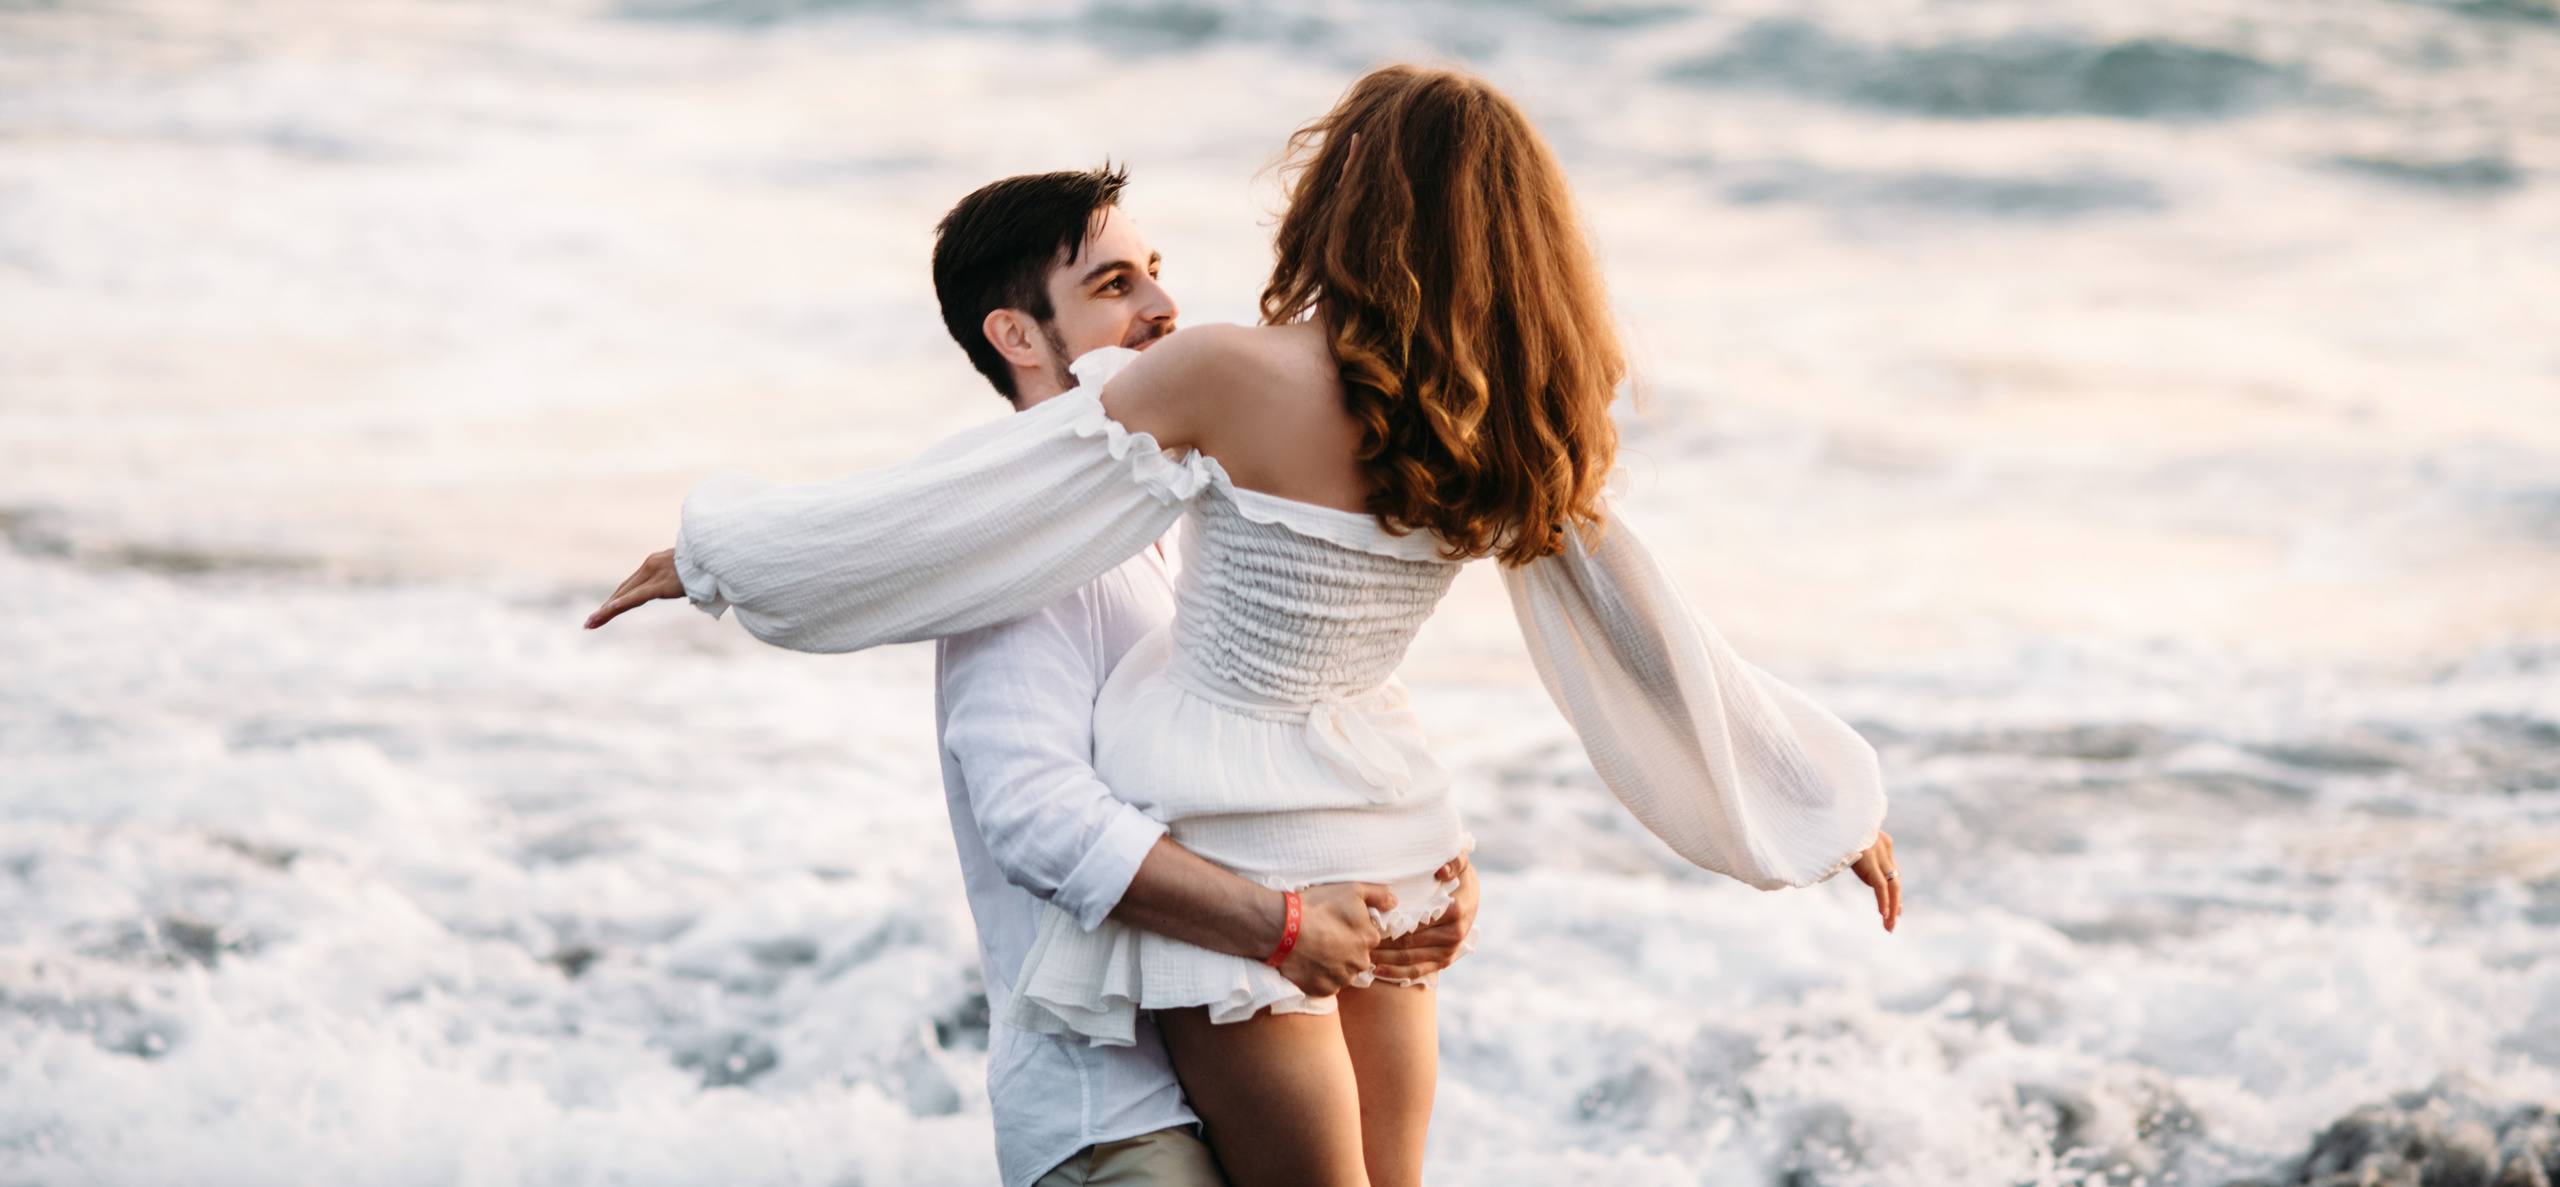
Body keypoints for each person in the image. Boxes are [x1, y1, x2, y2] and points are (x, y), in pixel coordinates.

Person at [591, 66, 1900, 1187]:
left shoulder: (1227, 377)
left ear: (1348, 205)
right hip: (1384, 827)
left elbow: (954, 507)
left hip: (1234, 820)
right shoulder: (1496, 426)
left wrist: (724, 556)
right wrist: (1811, 799)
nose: (1158, 303)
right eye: (1121, 282)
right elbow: (1634, 610)